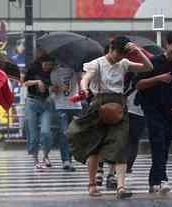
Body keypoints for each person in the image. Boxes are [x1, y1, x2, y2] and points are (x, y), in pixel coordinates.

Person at [67, 36, 153, 199]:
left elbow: (148, 67)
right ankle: (92, 184)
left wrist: (138, 51)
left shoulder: (124, 63)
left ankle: (121, 187)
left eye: (123, 54)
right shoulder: (97, 63)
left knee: (121, 145)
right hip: (98, 105)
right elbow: (86, 78)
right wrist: (84, 89)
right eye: (118, 53)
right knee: (94, 147)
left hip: (119, 106)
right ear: (111, 49)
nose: (119, 57)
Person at [136, 29, 172, 195]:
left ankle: (153, 180)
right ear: (167, 44)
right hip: (152, 108)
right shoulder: (153, 62)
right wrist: (158, 78)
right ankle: (163, 179)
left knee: (164, 145)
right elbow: (139, 84)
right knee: (158, 141)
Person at [24, 55, 55, 169]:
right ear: (41, 63)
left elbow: (55, 87)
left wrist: (52, 90)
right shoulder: (33, 69)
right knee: (33, 134)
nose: (48, 67)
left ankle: (45, 155)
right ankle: (35, 159)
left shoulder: (53, 73)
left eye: (50, 65)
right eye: (46, 65)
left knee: (46, 132)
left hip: (46, 103)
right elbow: (25, 82)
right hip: (32, 102)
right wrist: (37, 82)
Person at [50, 64, 81, 172]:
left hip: (75, 106)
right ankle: (66, 160)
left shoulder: (75, 70)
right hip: (61, 106)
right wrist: (55, 88)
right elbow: (52, 90)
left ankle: (70, 158)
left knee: (74, 134)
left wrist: (79, 76)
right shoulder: (54, 72)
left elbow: (82, 85)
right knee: (64, 133)